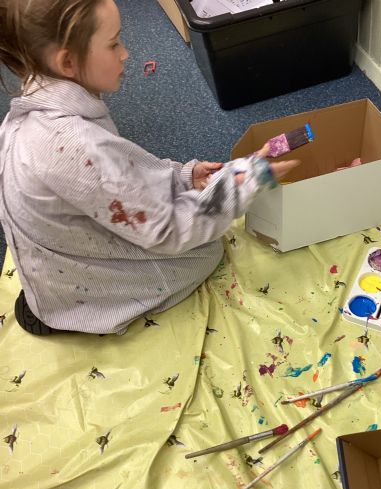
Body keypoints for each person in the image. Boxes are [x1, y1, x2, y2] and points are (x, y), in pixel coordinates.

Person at [0, 0, 300, 335]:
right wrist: (239, 186)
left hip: (55, 258)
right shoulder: (77, 146)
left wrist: (182, 177)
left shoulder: (37, 99)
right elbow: (167, 231)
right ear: (67, 62)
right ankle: (71, 313)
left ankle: (54, 298)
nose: (125, 53)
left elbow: (124, 172)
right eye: (114, 44)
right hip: (73, 289)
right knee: (205, 253)